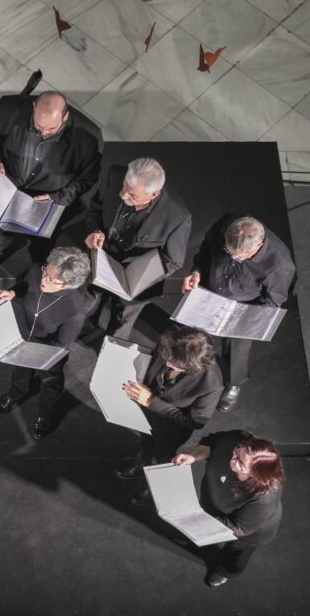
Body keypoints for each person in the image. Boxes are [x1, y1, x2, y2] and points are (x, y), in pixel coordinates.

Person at [0, 91, 102, 277]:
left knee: (43, 243)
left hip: (48, 199)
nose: (43, 132)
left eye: (51, 129)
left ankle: (40, 265)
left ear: (65, 117)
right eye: (38, 126)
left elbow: (88, 178)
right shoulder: (9, 109)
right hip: (9, 188)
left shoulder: (89, 137)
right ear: (33, 108)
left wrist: (57, 198)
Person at [182, 215, 295, 412]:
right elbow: (206, 250)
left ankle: (233, 382)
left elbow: (274, 300)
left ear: (258, 246)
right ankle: (187, 364)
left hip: (244, 305)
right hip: (212, 289)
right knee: (191, 333)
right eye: (229, 251)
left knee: (237, 350)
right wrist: (197, 271)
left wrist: (244, 316)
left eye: (240, 256)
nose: (234, 258)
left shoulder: (280, 264)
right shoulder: (227, 225)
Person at [84, 158, 191, 339]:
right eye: (124, 188)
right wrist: (96, 230)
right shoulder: (115, 174)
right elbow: (95, 208)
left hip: (135, 279)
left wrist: (139, 273)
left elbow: (173, 260)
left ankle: (110, 347)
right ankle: (81, 326)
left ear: (154, 195)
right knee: (88, 300)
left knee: (122, 320)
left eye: (133, 195)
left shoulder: (178, 217)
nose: (123, 196)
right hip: (103, 258)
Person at [117, 326, 222, 505]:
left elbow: (193, 422)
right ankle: (143, 459)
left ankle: (154, 485)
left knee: (161, 456)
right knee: (146, 442)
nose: (167, 363)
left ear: (193, 368)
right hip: (145, 413)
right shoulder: (171, 344)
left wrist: (151, 401)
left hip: (171, 430)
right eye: (167, 357)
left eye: (174, 363)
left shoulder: (212, 384)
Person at [0, 247, 89, 438]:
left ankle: (44, 414)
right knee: (20, 369)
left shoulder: (75, 311)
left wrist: (32, 351)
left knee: (50, 381)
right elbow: (25, 285)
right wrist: (12, 293)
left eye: (52, 280)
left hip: (49, 351)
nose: (44, 279)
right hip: (25, 335)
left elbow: (61, 345)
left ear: (69, 285)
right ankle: (15, 394)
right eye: (46, 271)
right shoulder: (37, 270)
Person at [173, 431, 284, 587]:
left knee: (235, 553)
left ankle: (224, 571)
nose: (233, 461)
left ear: (256, 474)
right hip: (214, 503)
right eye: (236, 453)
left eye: (241, 463)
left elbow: (237, 528)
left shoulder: (265, 497)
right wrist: (194, 456)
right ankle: (200, 540)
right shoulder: (235, 440)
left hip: (246, 530)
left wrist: (195, 517)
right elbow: (211, 442)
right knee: (202, 531)